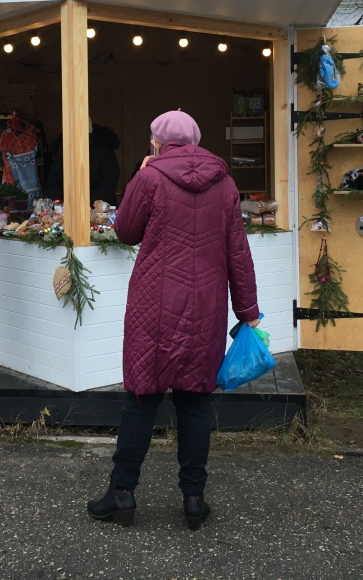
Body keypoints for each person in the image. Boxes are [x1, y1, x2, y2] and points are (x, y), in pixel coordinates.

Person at [87, 109, 260, 531]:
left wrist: (138, 176)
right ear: (196, 142)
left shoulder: (149, 178)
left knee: (142, 398)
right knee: (196, 401)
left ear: (158, 143)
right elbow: (238, 252)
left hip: (154, 306)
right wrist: (248, 312)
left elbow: (125, 231)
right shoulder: (226, 182)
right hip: (206, 307)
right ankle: (194, 501)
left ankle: (122, 494)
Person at [43, 119, 121, 205]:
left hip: (99, 209)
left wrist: (87, 203)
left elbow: (108, 183)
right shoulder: (61, 152)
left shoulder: (103, 151)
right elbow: (53, 184)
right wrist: (62, 203)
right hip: (66, 209)